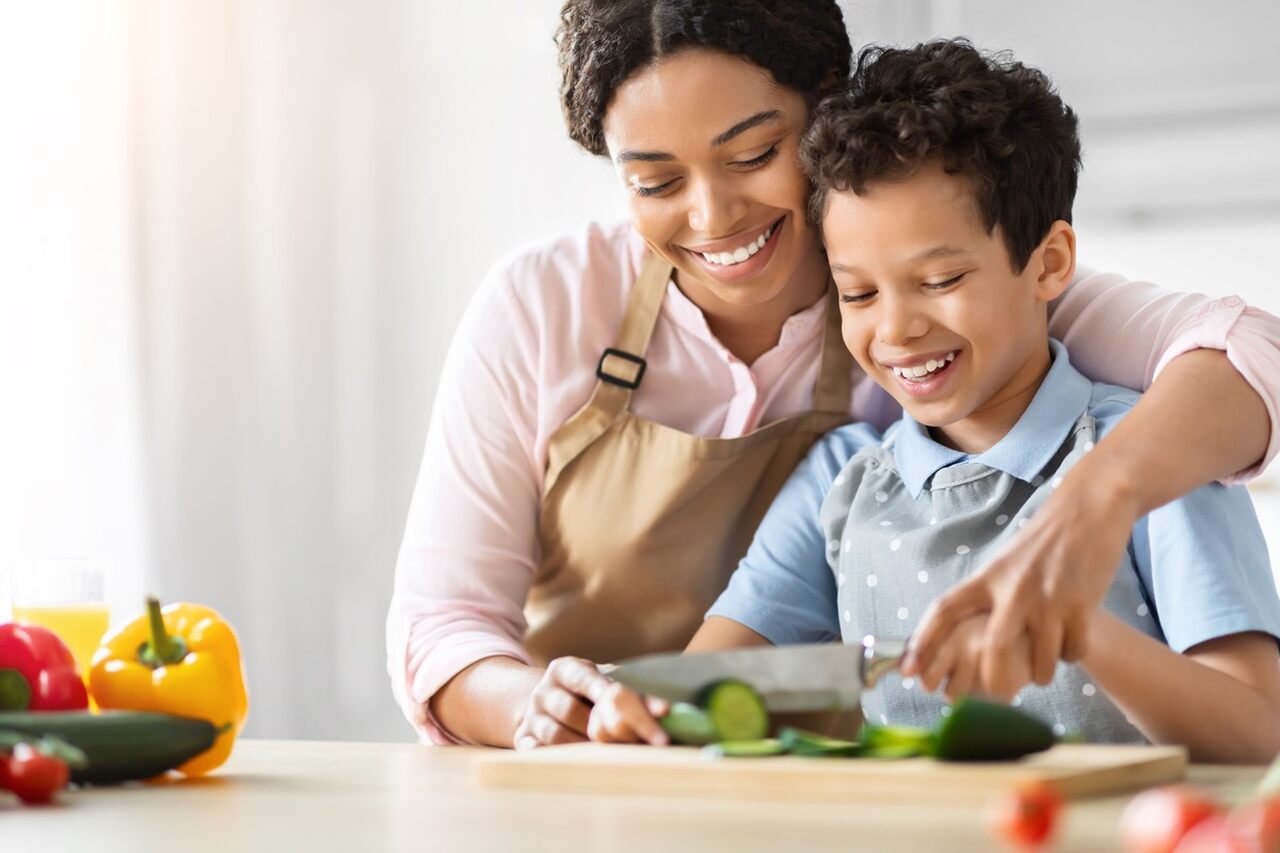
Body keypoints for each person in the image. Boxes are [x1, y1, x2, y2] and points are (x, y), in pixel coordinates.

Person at [385, 0, 1280, 750]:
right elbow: (449, 625)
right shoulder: (552, 307)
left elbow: (1242, 353)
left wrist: (1098, 506)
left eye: (750, 156)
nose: (713, 215)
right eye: (656, 181)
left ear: (819, 110)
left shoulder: (989, 295)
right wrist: (554, 709)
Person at [692, 39, 1280, 762]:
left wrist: (1076, 625)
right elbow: (702, 686)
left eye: (940, 281)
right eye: (859, 293)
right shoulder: (840, 477)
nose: (897, 328)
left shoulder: (1157, 456)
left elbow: (1259, 735)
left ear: (1050, 263)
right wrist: (616, 698)